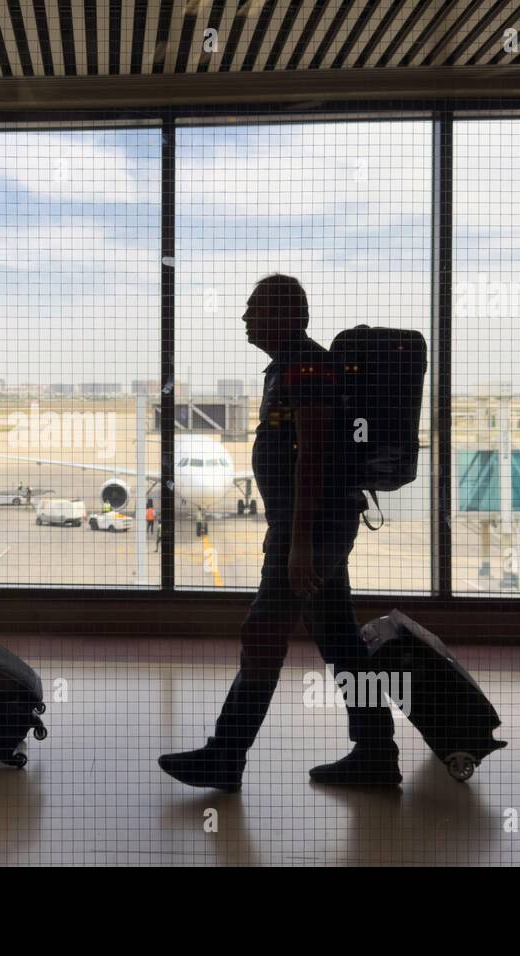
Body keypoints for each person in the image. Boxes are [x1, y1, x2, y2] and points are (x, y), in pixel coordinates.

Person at [158, 275, 398, 792]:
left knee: (263, 635)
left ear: (288, 315)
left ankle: (226, 755)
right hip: (314, 525)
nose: (244, 317)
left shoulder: (306, 367)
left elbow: (314, 454)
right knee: (339, 640)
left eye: (254, 308)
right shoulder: (288, 368)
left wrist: (300, 544)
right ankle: (378, 752)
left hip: (309, 528)